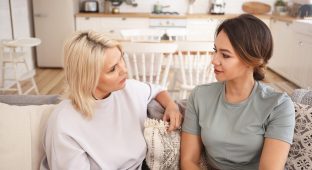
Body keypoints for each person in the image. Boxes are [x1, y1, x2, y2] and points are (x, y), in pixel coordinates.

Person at [40, 31, 182, 170]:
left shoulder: (129, 89)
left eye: (122, 59)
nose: (125, 70)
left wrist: (171, 105)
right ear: (88, 78)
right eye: (113, 69)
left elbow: (157, 90)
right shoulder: (64, 124)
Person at [180, 14, 295, 170]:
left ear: (251, 60)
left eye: (225, 55)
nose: (214, 60)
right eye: (215, 50)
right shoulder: (199, 96)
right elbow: (188, 162)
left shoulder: (279, 105)